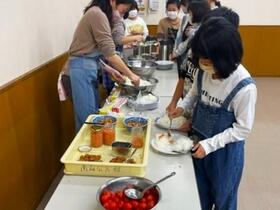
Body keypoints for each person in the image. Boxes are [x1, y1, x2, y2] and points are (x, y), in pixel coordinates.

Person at [169, 17, 257, 210]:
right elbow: (194, 93)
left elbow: (243, 130)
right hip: (198, 144)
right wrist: (183, 107)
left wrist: (211, 144)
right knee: (199, 197)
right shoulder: (204, 70)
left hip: (224, 155)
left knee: (224, 200)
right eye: (201, 59)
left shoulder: (243, 87)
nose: (203, 64)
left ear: (225, 57)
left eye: (208, 60)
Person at [68, 0, 140, 132]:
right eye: (124, 9)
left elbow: (93, 53)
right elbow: (110, 53)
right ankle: (86, 151)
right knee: (88, 120)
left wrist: (110, 69)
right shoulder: (97, 14)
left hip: (87, 67)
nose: (123, 12)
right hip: (81, 69)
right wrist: (131, 75)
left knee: (92, 114)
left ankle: (91, 148)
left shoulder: (99, 14)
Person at [166, 6, 240, 131]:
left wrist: (194, 121)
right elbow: (185, 78)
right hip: (191, 115)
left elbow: (235, 125)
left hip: (208, 129)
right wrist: (176, 103)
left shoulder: (221, 68)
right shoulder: (197, 47)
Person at [167, 0, 210, 126]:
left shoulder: (208, 66)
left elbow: (205, 100)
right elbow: (183, 76)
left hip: (201, 120)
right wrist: (174, 102)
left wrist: (194, 122)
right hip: (188, 105)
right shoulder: (191, 51)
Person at [102, 0, 144, 95]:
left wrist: (126, 45)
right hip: (111, 59)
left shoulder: (116, 18)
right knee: (113, 87)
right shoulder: (115, 19)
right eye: (127, 9)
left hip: (113, 58)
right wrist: (136, 37)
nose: (127, 11)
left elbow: (114, 41)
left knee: (116, 85)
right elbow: (118, 40)